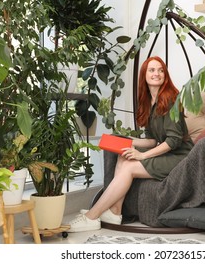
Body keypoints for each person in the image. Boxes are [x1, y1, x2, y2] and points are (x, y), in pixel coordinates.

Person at [68, 56, 194, 232]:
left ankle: (91, 216)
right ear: (144, 74)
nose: (157, 74)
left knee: (129, 167)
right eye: (152, 70)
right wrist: (126, 141)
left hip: (181, 157)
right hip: (167, 152)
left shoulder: (171, 98)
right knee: (124, 156)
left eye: (160, 70)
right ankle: (115, 212)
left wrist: (142, 155)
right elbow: (152, 139)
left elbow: (173, 141)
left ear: (165, 74)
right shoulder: (148, 101)